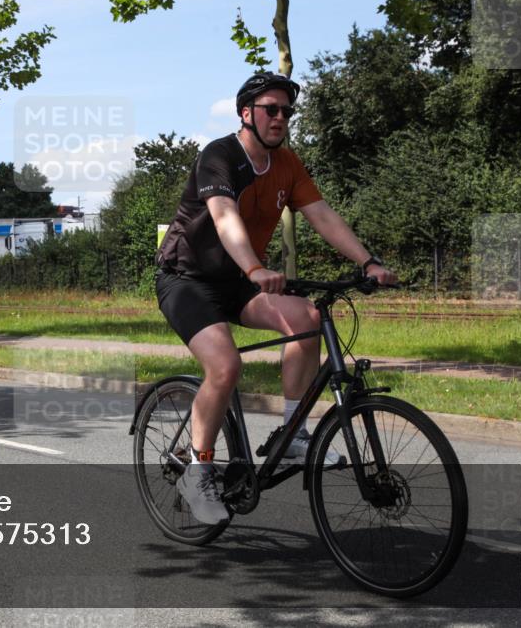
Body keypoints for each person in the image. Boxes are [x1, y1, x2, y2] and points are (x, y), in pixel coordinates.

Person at [155, 72, 397, 525]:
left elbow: (322, 216)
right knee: (225, 367)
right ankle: (199, 470)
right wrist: (256, 268)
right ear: (246, 113)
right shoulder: (219, 156)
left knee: (306, 317)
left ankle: (294, 435)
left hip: (242, 281)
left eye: (287, 111)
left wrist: (368, 262)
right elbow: (225, 218)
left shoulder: (287, 163)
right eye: (272, 109)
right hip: (187, 279)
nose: (281, 117)